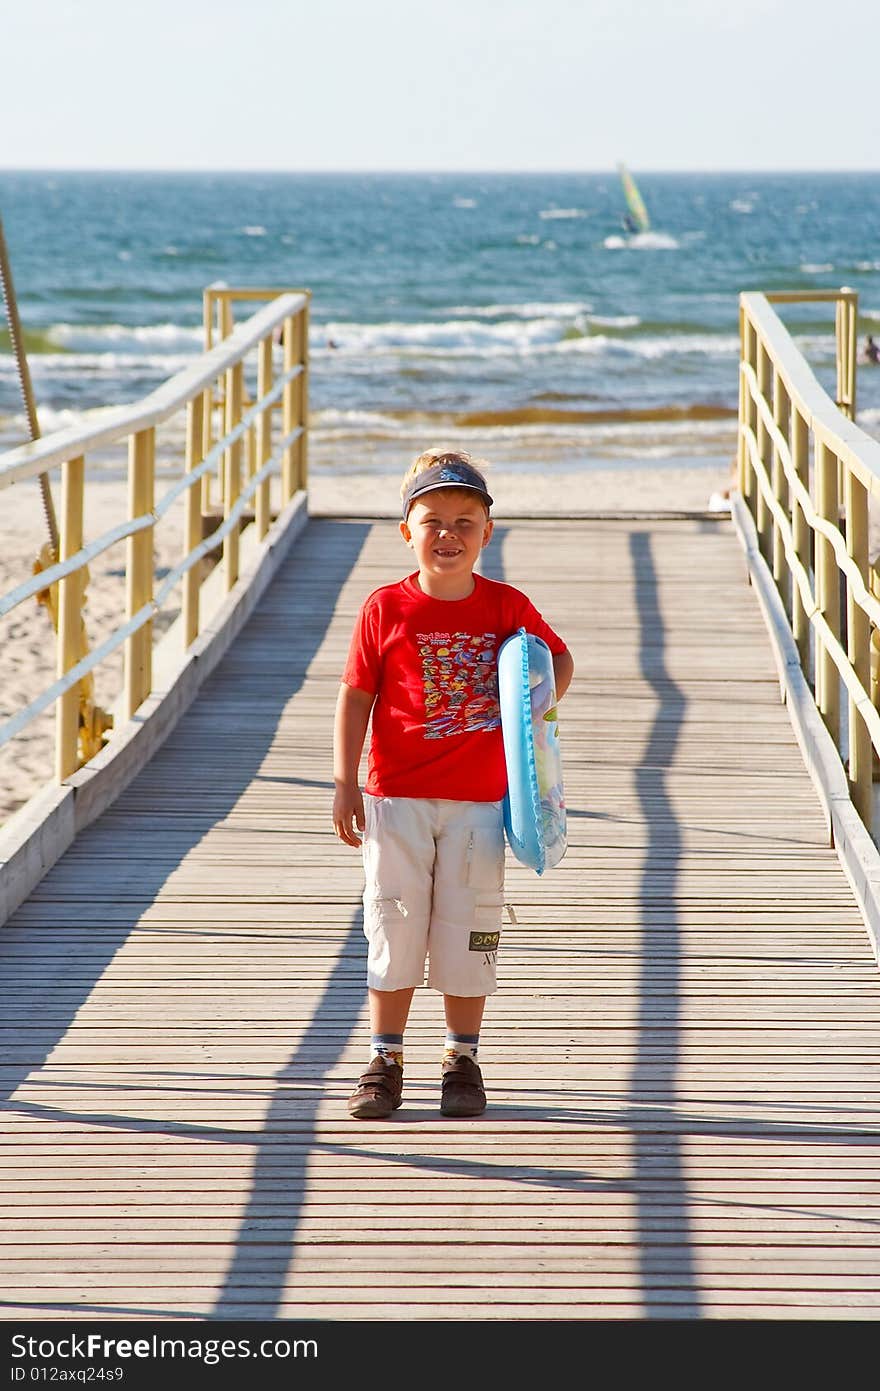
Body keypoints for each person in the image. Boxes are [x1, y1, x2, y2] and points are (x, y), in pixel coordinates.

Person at [332, 448, 574, 1120]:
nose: (447, 534)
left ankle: (462, 1057)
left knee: (471, 928)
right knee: (395, 921)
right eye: (431, 519)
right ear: (406, 531)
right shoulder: (386, 608)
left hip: (482, 802)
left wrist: (532, 721)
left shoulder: (506, 605)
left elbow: (557, 657)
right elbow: (355, 696)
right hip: (394, 796)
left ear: (487, 533)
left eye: (464, 521)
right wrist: (343, 781)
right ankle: (385, 1057)